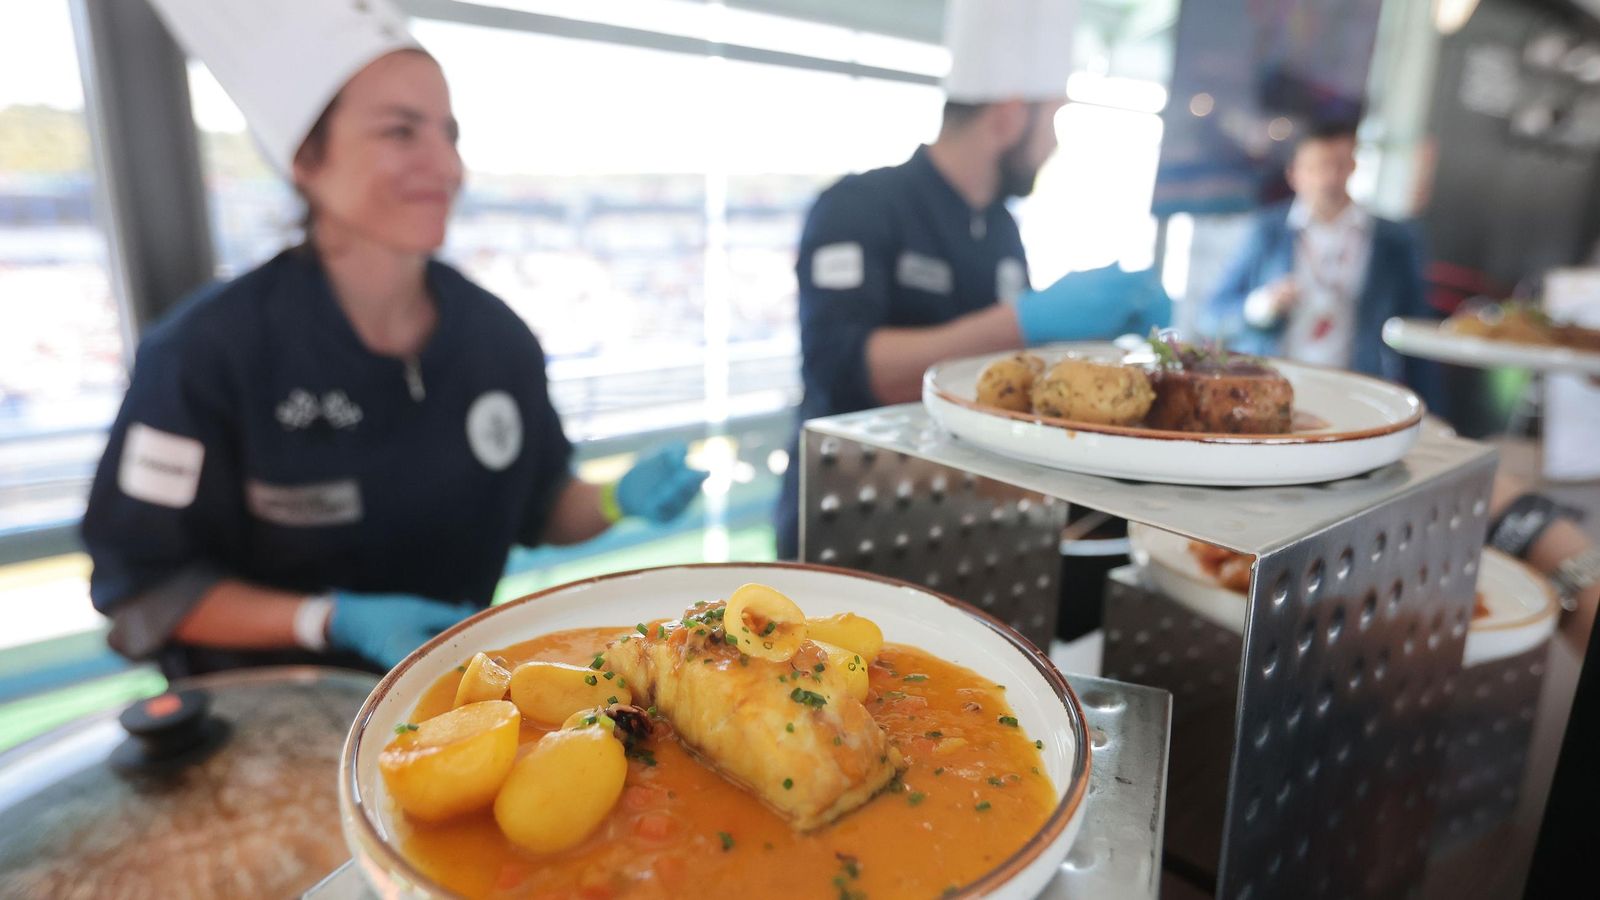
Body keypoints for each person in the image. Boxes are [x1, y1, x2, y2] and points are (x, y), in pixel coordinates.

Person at [81, 0, 705, 677]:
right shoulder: (205, 354)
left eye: (451, 133)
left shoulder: (496, 339)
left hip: (445, 709)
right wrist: (326, 619)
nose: (447, 167)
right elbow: (144, 585)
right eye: (401, 132)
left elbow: (541, 505)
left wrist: (616, 498)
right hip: (267, 733)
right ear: (307, 159)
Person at [774, 0, 1171, 558]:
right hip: (849, 515)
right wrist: (1025, 320)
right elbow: (846, 369)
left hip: (963, 518)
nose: (1055, 144)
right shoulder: (859, 205)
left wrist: (1093, 343)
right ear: (1009, 117)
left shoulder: (1003, 230)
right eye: (1053, 120)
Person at [1204, 121, 1438, 396]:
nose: (1329, 178)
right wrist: (1261, 305)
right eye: (1317, 167)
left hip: (1355, 388)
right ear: (1295, 174)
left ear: (1353, 166)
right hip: (1272, 384)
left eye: (1339, 165)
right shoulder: (1267, 231)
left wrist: (1430, 406)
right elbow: (1212, 315)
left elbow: (1417, 330)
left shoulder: (1393, 239)